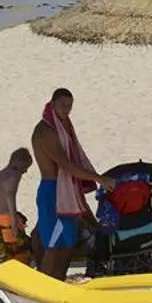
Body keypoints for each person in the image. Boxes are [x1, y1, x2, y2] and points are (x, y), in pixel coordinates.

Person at [29, 88, 115, 280]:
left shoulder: (63, 125)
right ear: (52, 103)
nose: (67, 110)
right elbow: (66, 165)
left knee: (67, 245)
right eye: (63, 105)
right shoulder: (46, 131)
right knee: (53, 246)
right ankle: (44, 293)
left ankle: (57, 288)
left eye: (70, 106)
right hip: (53, 192)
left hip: (65, 192)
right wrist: (99, 178)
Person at [0, 148, 35, 264]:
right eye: (25, 168)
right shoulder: (14, 175)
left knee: (3, 259)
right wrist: (14, 221)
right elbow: (10, 197)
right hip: (7, 224)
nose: (25, 172)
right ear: (19, 163)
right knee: (25, 254)